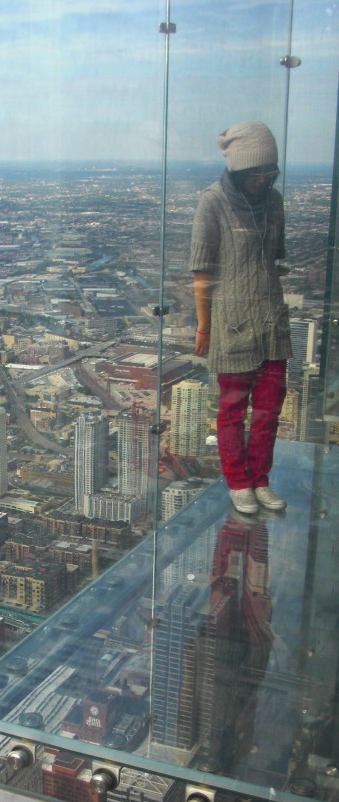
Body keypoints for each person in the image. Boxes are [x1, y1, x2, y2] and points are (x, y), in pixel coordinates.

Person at [190, 120, 292, 514]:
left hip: (272, 321)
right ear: (240, 169)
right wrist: (204, 325)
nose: (264, 179)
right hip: (231, 323)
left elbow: (272, 258)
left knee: (269, 408)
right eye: (258, 172)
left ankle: (260, 479)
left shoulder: (275, 201)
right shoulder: (212, 201)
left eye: (271, 172)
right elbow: (202, 271)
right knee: (232, 408)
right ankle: (238, 481)